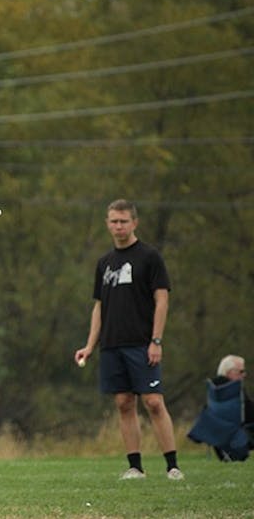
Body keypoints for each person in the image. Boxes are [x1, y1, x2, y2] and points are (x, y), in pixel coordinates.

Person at [74, 199, 184, 481]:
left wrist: (156, 340)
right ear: (107, 223)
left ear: (134, 223)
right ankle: (135, 467)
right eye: (113, 221)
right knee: (124, 402)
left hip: (142, 343)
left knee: (154, 402)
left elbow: (162, 301)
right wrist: (90, 345)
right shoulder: (104, 263)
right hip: (112, 344)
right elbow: (99, 306)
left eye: (123, 221)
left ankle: (173, 466)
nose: (118, 226)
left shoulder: (149, 257)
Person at [213, 355, 253, 425]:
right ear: (229, 372)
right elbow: (249, 413)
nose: (244, 374)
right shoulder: (233, 390)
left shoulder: (214, 388)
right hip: (239, 433)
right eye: (241, 371)